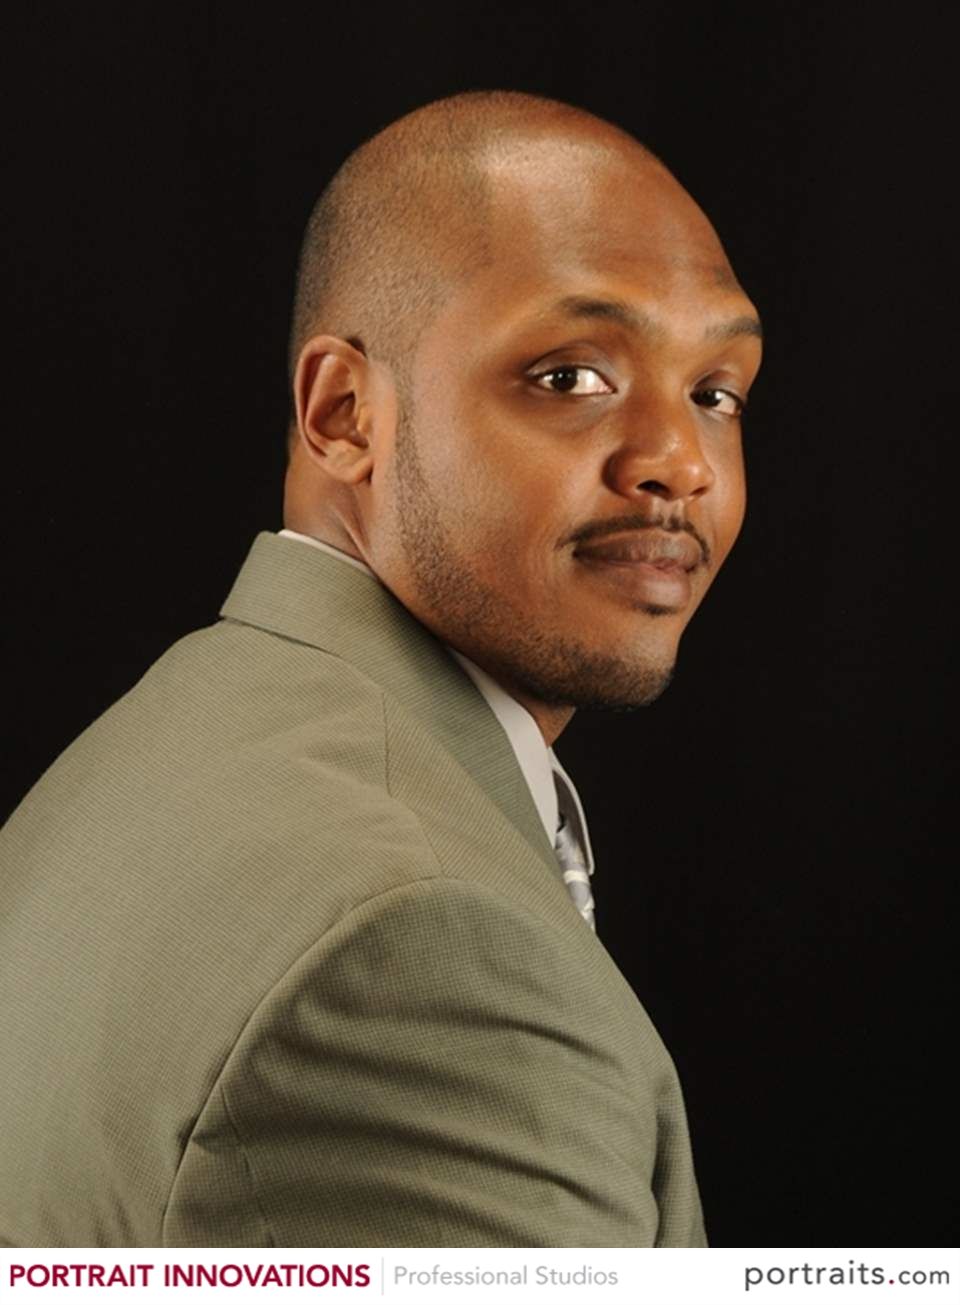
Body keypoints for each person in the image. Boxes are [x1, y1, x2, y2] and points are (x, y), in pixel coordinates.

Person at [0, 90, 762, 1248]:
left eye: (716, 394)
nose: (680, 462)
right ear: (345, 413)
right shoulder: (424, 949)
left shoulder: (163, 742)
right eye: (570, 377)